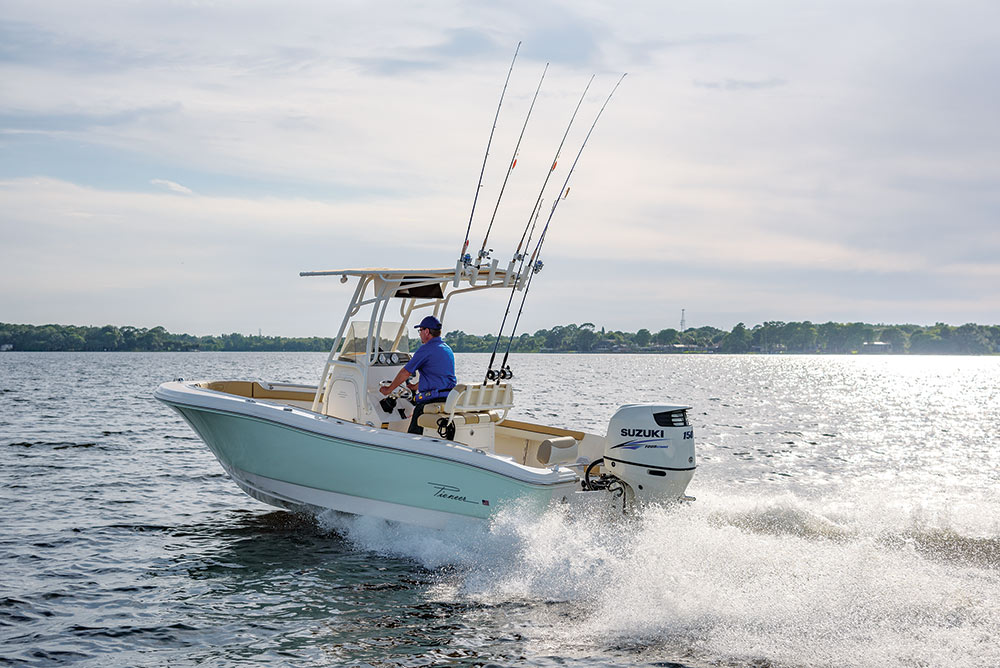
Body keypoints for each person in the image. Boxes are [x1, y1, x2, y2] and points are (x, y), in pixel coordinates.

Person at [379, 315, 456, 434]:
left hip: (432, 400)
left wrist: (389, 389)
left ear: (427, 331)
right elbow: (438, 377)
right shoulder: (446, 349)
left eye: (420, 330)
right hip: (448, 398)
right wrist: (415, 387)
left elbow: (405, 372)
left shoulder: (426, 349)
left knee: (414, 426)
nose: (419, 334)